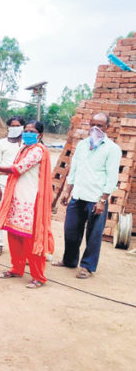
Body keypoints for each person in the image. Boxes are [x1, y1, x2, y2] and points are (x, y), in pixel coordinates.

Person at [0, 121, 54, 289]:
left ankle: (38, 276)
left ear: (40, 135)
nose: (28, 133)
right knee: (14, 235)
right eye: (26, 130)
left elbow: (20, 168)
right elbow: (15, 169)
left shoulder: (38, 151)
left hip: (31, 200)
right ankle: (16, 268)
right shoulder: (23, 149)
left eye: (32, 131)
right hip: (17, 199)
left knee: (31, 239)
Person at [53, 113, 121, 279]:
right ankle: (69, 260)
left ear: (107, 128)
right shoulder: (83, 145)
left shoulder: (112, 149)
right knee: (71, 230)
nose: (95, 128)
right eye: (93, 124)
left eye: (100, 125)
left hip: (96, 199)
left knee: (93, 235)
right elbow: (74, 168)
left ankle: (87, 266)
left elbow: (112, 178)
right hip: (78, 195)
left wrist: (103, 200)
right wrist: (68, 191)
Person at [0, 116, 25, 256]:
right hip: (4, 184)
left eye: (18, 125)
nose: (15, 128)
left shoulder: (26, 144)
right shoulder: (1, 144)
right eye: (12, 125)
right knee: (1, 213)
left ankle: (20, 246)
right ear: (8, 127)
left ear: (23, 127)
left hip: (22, 185)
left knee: (20, 215)